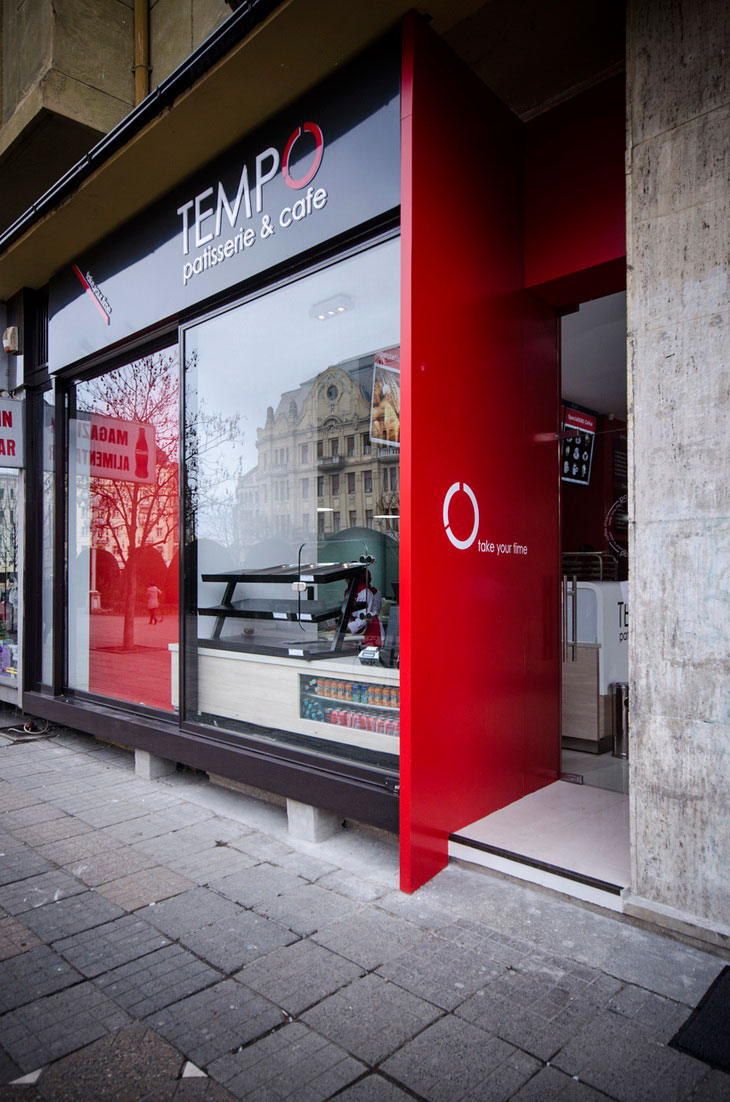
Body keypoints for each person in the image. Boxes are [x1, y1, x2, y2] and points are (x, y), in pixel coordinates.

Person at [346, 571, 383, 647]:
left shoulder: (364, 593)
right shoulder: (351, 591)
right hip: (358, 627)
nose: (346, 581)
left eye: (347, 579)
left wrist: (346, 627)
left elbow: (363, 619)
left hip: (370, 628)